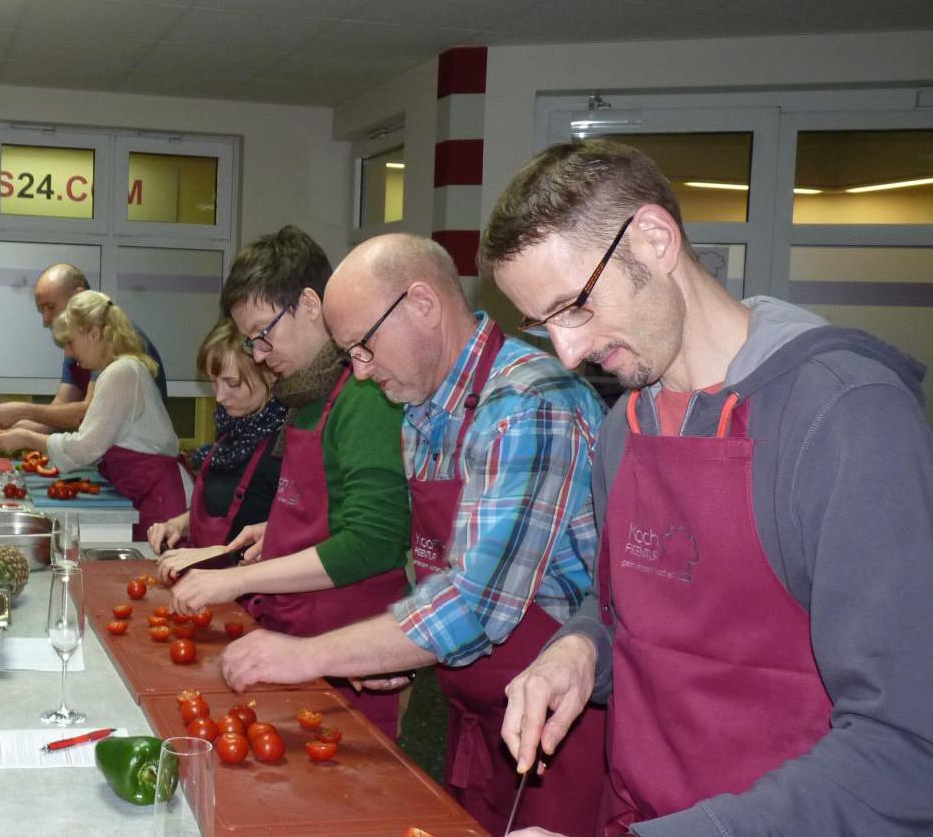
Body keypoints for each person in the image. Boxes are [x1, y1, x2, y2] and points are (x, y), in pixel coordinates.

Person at [485, 140, 933, 837]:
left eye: (574, 307)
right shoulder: (623, 427)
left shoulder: (846, 415)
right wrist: (578, 651)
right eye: (543, 326)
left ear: (655, 239)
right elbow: (619, 613)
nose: (567, 354)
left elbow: (905, 749)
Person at [218, 233, 608, 835]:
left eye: (364, 349)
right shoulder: (425, 405)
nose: (363, 374)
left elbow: (475, 604)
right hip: (477, 712)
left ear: (422, 303)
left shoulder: (527, 404)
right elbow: (436, 569)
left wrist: (307, 656)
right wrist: (392, 653)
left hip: (561, 728)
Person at [161, 225, 411, 739]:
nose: (256, 353)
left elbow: (373, 542)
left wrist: (236, 579)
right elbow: (324, 509)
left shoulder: (363, 398)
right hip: (292, 635)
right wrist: (272, 530)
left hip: (349, 648)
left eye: (262, 333)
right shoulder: (303, 397)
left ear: (310, 304)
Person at [0, 290, 185, 540]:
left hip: (161, 501)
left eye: (70, 342)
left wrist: (25, 437)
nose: (69, 353)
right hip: (146, 496)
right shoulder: (119, 370)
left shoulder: (121, 373)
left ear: (94, 333)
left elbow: (84, 448)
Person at [147, 318, 286, 555]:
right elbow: (221, 503)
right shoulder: (231, 428)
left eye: (232, 384)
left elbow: (290, 531)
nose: (220, 396)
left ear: (271, 373)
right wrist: (179, 524)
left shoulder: (283, 443)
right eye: (213, 382)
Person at [0, 263, 167, 434]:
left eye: (50, 307)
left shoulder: (113, 341)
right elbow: (60, 408)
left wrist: (23, 412)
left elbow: (87, 414)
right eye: (41, 309)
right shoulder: (80, 342)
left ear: (77, 296)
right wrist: (5, 429)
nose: (46, 318)